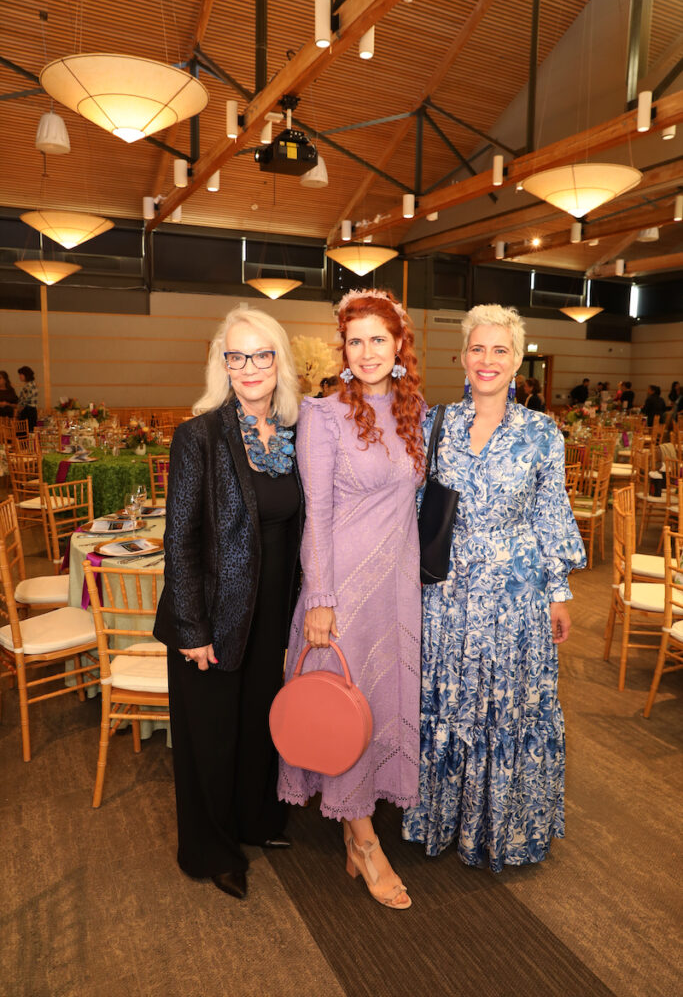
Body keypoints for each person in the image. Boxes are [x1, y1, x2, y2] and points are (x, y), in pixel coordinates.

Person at [402, 304, 586, 872]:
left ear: (517, 360)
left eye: (499, 350)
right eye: (477, 349)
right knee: (449, 701)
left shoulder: (541, 432)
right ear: (462, 357)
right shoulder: (434, 423)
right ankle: (443, 819)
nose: (487, 360)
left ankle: (504, 827)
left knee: (511, 709)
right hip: (447, 594)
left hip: (516, 596)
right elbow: (410, 507)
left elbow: (550, 514)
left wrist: (557, 590)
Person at [278, 288, 425, 910]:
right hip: (341, 595)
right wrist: (321, 597)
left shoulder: (415, 409)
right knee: (342, 708)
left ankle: (354, 826)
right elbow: (317, 514)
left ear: (399, 346)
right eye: (355, 340)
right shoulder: (323, 414)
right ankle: (365, 844)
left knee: (377, 706)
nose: (366, 352)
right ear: (343, 348)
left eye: (378, 339)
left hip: (397, 587)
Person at [154, 308, 304, 901]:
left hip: (273, 613)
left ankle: (255, 821)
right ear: (222, 364)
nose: (249, 368)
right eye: (236, 356)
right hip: (213, 614)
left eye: (261, 354)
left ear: (279, 362)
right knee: (210, 737)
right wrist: (191, 626)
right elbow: (179, 538)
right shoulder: (199, 436)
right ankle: (211, 849)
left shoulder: (296, 432)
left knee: (258, 723)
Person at [15, 366, 38, 432]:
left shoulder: (27, 386)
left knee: (23, 431)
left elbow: (23, 402)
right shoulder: (33, 384)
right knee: (31, 431)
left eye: (21, 374)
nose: (19, 376)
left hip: (27, 411)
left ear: (26, 375)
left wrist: (18, 412)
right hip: (33, 410)